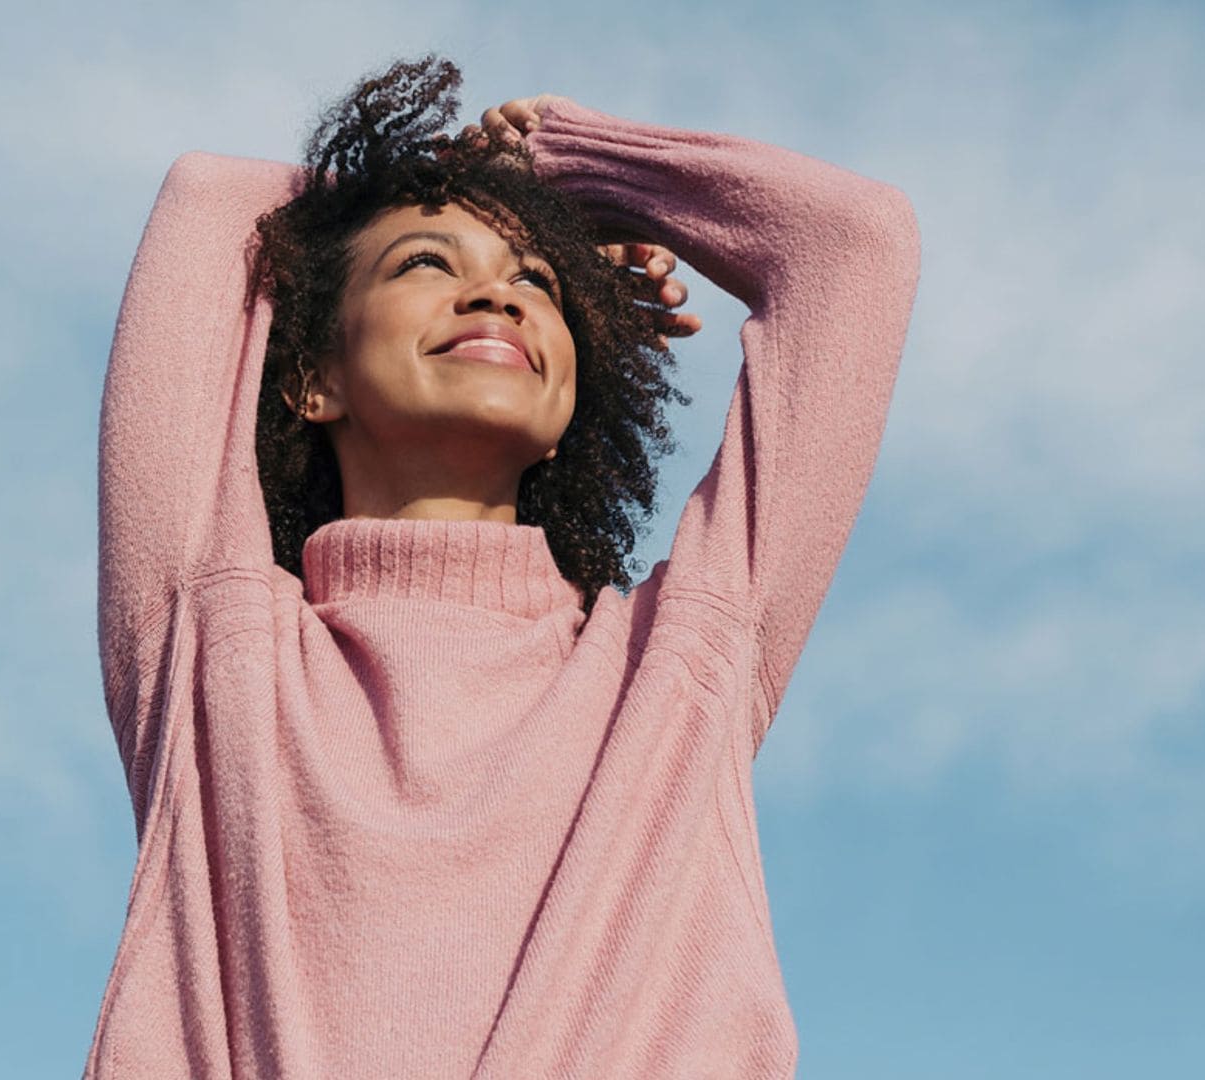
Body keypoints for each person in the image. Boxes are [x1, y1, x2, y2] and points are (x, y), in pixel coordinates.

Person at [86, 54, 920, 1080]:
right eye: (428, 265)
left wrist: (578, 166)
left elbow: (853, 245)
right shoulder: (212, 645)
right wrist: (450, 179)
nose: (497, 291)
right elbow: (211, 201)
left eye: (538, 282)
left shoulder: (677, 667)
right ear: (312, 376)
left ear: (572, 404)